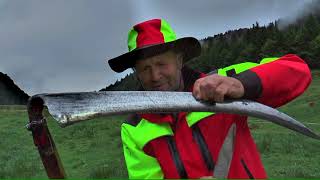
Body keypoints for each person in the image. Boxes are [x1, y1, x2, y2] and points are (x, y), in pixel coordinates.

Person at [107, 19, 311, 179]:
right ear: (136, 73)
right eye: (145, 68)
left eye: (161, 64)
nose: (155, 76)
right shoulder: (133, 127)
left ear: (179, 60)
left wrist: (241, 85)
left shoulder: (222, 81)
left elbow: (296, 68)